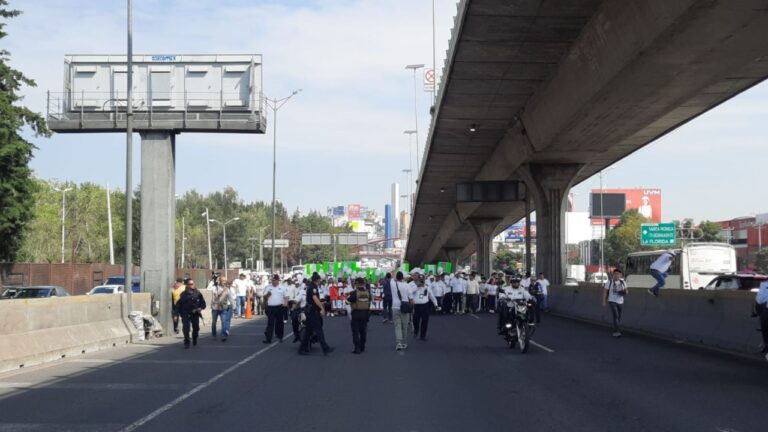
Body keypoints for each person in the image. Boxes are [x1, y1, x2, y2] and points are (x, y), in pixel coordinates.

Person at [299, 272, 334, 355]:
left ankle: (302, 349)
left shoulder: (312, 286)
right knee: (318, 330)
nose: (320, 281)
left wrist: (322, 304)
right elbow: (315, 298)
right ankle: (325, 348)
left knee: (308, 331)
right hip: (313, 312)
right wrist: (322, 308)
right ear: (317, 280)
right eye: (319, 280)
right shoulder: (313, 287)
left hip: (311, 311)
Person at [176, 279, 206, 348]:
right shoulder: (183, 294)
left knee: (196, 328)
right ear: (187, 285)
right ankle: (187, 342)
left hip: (195, 313)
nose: (193, 285)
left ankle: (194, 337)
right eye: (191, 284)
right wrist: (176, 314)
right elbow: (178, 305)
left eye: (193, 283)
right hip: (185, 313)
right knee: (186, 328)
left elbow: (203, 304)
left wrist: (200, 308)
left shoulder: (198, 293)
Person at [346, 277, 371, 354]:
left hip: (356, 313)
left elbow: (347, 302)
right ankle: (362, 346)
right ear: (363, 283)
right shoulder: (367, 293)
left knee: (355, 331)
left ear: (356, 284)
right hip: (365, 313)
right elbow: (369, 302)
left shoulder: (354, 293)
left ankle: (357, 348)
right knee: (363, 331)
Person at [390, 271, 414, 351]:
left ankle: (398, 343)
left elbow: (393, 278)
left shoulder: (393, 284)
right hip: (405, 307)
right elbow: (411, 298)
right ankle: (404, 342)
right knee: (405, 326)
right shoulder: (407, 285)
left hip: (395, 307)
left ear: (397, 277)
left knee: (397, 325)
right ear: (403, 277)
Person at [412, 274, 439, 341]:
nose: (421, 281)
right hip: (417, 306)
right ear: (418, 280)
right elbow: (410, 293)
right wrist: (417, 287)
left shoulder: (427, 287)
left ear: (424, 280)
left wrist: (436, 304)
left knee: (425, 321)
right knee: (415, 321)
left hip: (425, 305)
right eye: (420, 280)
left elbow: (432, 296)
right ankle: (416, 330)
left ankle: (423, 335)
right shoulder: (413, 286)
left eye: (422, 280)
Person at [263, 274, 288, 343]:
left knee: (280, 323)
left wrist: (285, 303)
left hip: (279, 307)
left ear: (278, 280)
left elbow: (286, 296)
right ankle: (268, 338)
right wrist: (268, 295)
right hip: (270, 307)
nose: (273, 282)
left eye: (275, 280)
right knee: (270, 323)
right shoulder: (268, 287)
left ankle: (280, 336)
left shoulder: (282, 287)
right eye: (272, 280)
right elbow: (264, 297)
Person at [602, 269, 627, 337]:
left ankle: (616, 327)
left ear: (620, 275)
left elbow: (626, 291)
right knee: (615, 315)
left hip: (620, 301)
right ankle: (616, 331)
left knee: (618, 316)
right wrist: (604, 301)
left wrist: (624, 292)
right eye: (615, 274)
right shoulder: (609, 282)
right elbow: (605, 292)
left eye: (618, 274)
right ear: (613, 275)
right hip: (612, 301)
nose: (616, 275)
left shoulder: (622, 282)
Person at [211, 276, 234, 342]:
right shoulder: (214, 288)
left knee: (224, 322)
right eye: (223, 280)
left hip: (223, 308)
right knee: (214, 323)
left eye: (225, 281)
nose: (224, 282)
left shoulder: (227, 289)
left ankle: (223, 335)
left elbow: (230, 298)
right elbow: (209, 289)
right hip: (215, 308)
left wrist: (233, 306)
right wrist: (214, 279)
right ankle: (214, 335)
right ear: (219, 281)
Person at [755, 280, 768, 361]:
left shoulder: (765, 284)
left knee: (765, 329)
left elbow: (759, 300)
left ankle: (766, 346)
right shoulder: (765, 284)